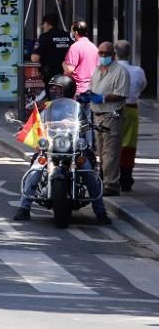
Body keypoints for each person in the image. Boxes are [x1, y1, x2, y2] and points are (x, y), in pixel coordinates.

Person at [12, 74, 111, 224]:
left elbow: (85, 125)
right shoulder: (48, 106)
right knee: (36, 169)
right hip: (52, 145)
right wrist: (28, 126)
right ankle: (23, 207)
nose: (53, 90)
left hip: (73, 148)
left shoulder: (78, 107)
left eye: (57, 88)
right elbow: (39, 120)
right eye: (53, 88)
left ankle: (100, 212)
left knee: (89, 173)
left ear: (67, 89)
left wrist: (84, 126)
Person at [86, 41, 129, 196]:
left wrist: (103, 98)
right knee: (101, 151)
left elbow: (122, 93)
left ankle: (111, 184)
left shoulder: (120, 71)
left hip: (112, 114)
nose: (103, 56)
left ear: (113, 55)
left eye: (107, 53)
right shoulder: (97, 70)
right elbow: (92, 87)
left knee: (110, 152)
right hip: (97, 116)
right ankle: (105, 180)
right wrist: (88, 95)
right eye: (101, 53)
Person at [115, 40, 146, 192]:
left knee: (111, 144)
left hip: (112, 110)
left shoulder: (109, 69)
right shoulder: (138, 71)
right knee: (129, 145)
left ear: (115, 53)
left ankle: (111, 176)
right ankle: (126, 179)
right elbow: (142, 85)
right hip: (131, 109)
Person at [31, 12, 72, 83]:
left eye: (43, 24)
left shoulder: (45, 37)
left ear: (47, 23)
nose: (43, 26)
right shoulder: (68, 36)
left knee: (52, 92)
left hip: (51, 74)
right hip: (68, 74)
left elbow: (34, 58)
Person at [62, 20, 96, 96]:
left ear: (76, 33)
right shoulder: (93, 47)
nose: (71, 33)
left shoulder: (75, 47)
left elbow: (69, 69)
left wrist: (63, 64)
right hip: (92, 88)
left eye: (71, 31)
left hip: (78, 90)